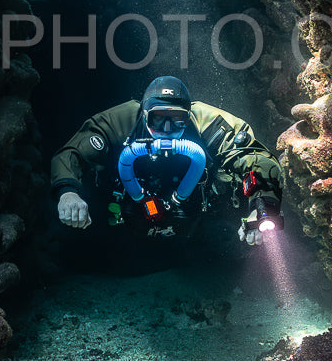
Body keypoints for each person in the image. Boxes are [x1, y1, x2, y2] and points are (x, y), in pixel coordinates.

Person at [51, 76, 283, 248]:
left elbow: (251, 157)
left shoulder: (205, 121)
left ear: (188, 114)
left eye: (177, 120)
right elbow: (73, 153)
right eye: (159, 119)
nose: (168, 130)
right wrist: (68, 191)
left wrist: (262, 207)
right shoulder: (121, 121)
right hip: (125, 222)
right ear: (144, 114)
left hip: (196, 224)